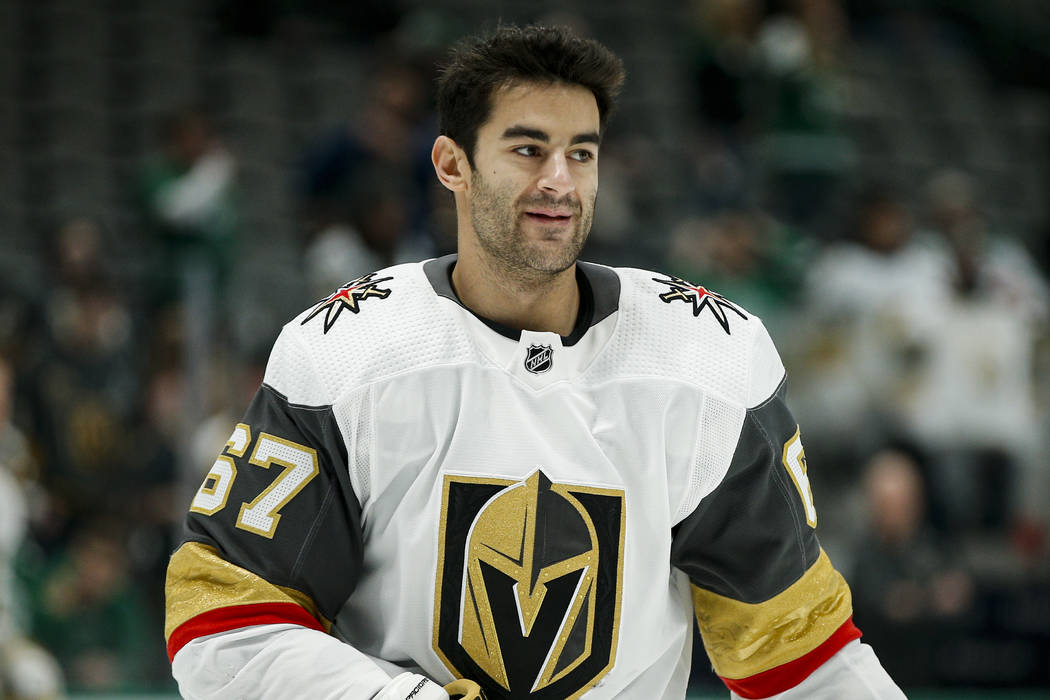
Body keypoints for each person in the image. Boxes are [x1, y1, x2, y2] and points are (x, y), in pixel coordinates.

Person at [165, 24, 904, 699]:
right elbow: (225, 630)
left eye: (580, 153)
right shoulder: (345, 354)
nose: (560, 179)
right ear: (452, 164)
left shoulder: (708, 360)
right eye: (527, 149)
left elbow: (804, 657)